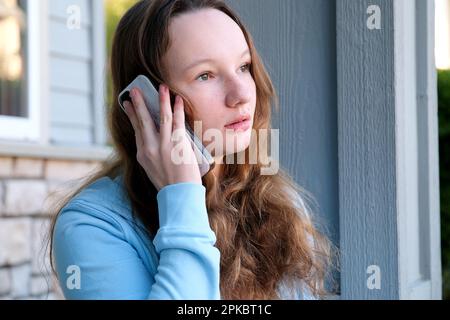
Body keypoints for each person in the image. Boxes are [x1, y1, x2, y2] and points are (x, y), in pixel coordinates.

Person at [48, 0, 334, 300]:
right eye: (205, 75)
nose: (241, 95)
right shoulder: (92, 225)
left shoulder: (275, 200)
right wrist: (181, 194)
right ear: (144, 103)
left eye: (243, 66)